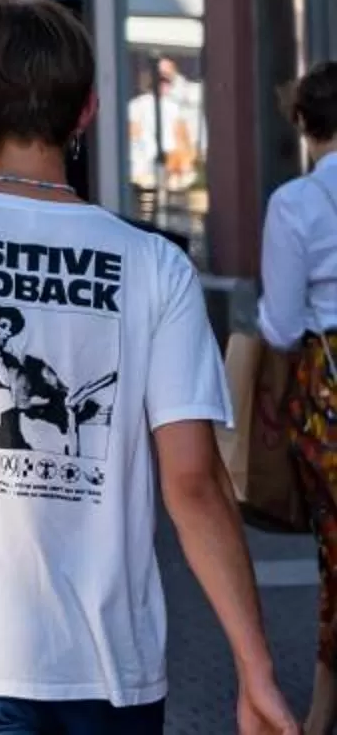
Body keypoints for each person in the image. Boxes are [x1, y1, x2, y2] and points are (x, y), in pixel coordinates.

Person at [0, 0, 296, 735]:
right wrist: (255, 668)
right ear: (88, 113)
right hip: (109, 662)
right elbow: (194, 486)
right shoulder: (155, 266)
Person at [264, 61, 337, 735]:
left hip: (331, 391)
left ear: (306, 126)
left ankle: (320, 715)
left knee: (335, 550)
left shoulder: (298, 205)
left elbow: (282, 326)